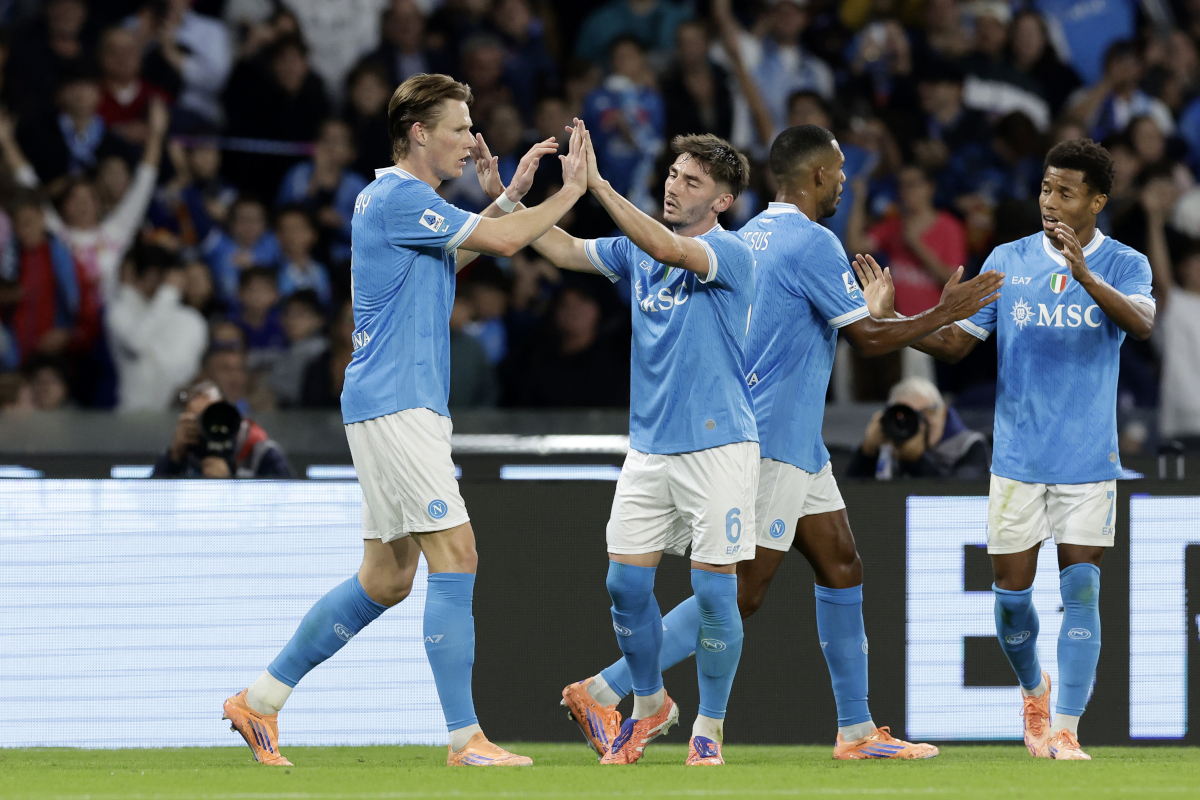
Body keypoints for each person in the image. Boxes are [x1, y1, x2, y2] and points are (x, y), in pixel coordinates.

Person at [555, 125, 1001, 762]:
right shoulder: (813, 242)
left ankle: (857, 731)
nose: (845, 182)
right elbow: (868, 339)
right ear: (817, 175)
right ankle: (605, 688)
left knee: (841, 563)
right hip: (768, 439)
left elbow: (863, 323)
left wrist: (899, 318)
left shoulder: (750, 235)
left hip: (797, 440)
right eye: (840, 172)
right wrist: (940, 312)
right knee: (739, 592)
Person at [222, 72, 589, 768]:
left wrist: (508, 198)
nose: (471, 140)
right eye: (460, 127)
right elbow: (504, 245)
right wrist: (570, 191)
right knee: (458, 553)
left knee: (386, 578)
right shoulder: (399, 196)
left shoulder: (400, 201)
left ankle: (260, 700)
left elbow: (465, 250)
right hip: (397, 403)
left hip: (390, 402)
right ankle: (465, 738)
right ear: (419, 133)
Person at [855, 138, 1155, 759]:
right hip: (1017, 458)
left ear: (1097, 202)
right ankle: (1033, 691)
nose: (1050, 201)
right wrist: (891, 318)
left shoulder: (1125, 264)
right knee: (1011, 602)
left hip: (1087, 460)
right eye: (1045, 188)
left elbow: (1142, 323)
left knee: (1082, 590)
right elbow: (956, 345)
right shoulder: (1008, 259)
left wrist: (1085, 276)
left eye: (1066, 192)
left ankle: (1066, 728)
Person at [509, 128, 761, 766]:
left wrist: (597, 185)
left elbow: (667, 247)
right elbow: (563, 250)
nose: (675, 186)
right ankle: (650, 705)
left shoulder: (731, 254)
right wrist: (511, 204)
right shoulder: (636, 248)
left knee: (715, 593)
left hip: (718, 448)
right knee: (624, 584)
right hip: (649, 448)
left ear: (723, 201)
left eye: (692, 181)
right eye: (674, 174)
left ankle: (709, 729)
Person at [107, 244, 207, 411]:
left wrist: (167, 294)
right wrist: (168, 293)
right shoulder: (119, 313)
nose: (126, 283)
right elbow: (136, 343)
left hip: (177, 413)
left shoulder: (192, 320)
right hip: (133, 415)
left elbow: (187, 372)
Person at [847, 376, 991, 479]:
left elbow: (959, 496)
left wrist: (916, 460)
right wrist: (867, 453)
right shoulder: (885, 446)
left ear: (943, 413)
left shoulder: (969, 446)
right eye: (906, 415)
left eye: (927, 412)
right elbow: (854, 499)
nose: (919, 423)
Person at [153, 379, 292, 478]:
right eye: (199, 419)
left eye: (214, 416)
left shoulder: (261, 455)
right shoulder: (183, 452)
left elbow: (287, 505)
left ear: (231, 415)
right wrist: (173, 458)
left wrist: (229, 483)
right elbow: (150, 504)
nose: (209, 425)